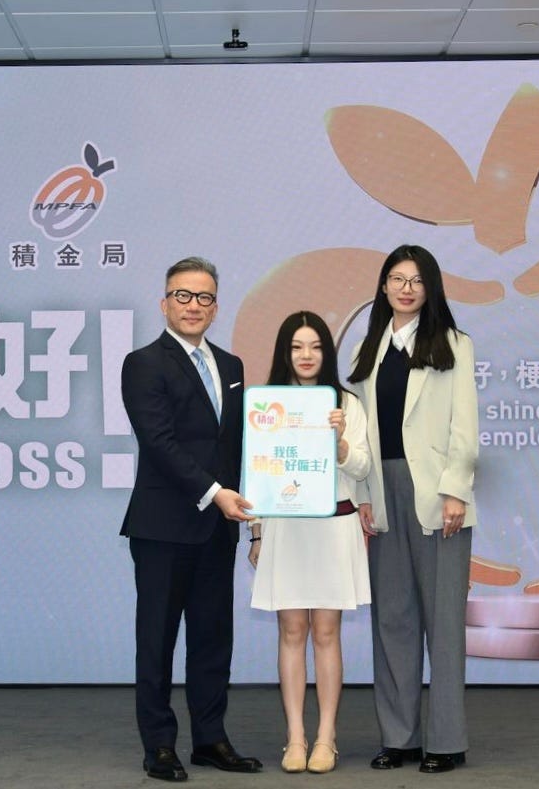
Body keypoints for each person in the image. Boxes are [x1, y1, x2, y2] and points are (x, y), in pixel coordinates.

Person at [120, 256, 263, 783]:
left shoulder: (231, 366)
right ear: (164, 303)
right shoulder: (143, 363)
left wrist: (254, 516)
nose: (193, 306)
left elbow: (240, 447)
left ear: (216, 307)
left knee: (212, 638)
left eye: (204, 297)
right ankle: (159, 745)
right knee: (157, 640)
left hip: (218, 529)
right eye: (183, 295)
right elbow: (159, 443)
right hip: (163, 526)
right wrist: (216, 493)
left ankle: (210, 738)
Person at [347, 244, 479, 775]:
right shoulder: (367, 349)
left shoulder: (454, 344)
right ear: (383, 286)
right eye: (397, 279)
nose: (406, 288)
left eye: (417, 280)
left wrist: (456, 490)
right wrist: (361, 496)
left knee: (443, 624)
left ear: (430, 289)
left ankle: (446, 741)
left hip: (438, 496)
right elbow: (359, 433)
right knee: (392, 620)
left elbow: (465, 426)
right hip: (382, 493)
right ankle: (398, 737)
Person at [247, 311, 372, 775]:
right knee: (292, 632)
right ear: (285, 352)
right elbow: (256, 471)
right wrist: (256, 531)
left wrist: (339, 442)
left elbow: (362, 467)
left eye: (315, 346)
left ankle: (326, 737)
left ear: (327, 352)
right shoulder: (268, 405)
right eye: (297, 346)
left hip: (333, 526)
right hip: (286, 528)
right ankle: (296, 736)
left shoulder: (347, 403)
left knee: (326, 633)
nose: (306, 355)